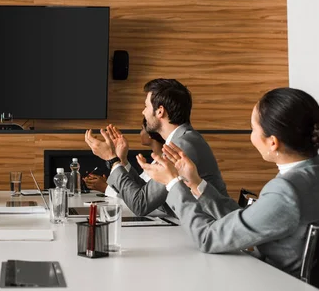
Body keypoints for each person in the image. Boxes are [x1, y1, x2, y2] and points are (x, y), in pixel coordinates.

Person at [141, 87, 319, 277]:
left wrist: (173, 184)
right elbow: (245, 219)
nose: (251, 136)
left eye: (253, 129)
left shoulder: (286, 191)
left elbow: (208, 238)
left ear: (273, 142)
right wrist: (197, 184)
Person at [85, 78, 227, 216]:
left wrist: (112, 159)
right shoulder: (182, 139)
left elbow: (140, 204)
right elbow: (147, 193)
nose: (143, 112)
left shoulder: (182, 145)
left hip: (210, 233)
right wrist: (121, 161)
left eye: (146, 106)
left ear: (160, 111)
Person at [84, 118, 164, 194]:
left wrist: (106, 188)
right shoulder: (155, 162)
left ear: (150, 133)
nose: (140, 133)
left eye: (142, 129)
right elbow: (134, 188)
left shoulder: (162, 165)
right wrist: (121, 159)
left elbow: (139, 198)